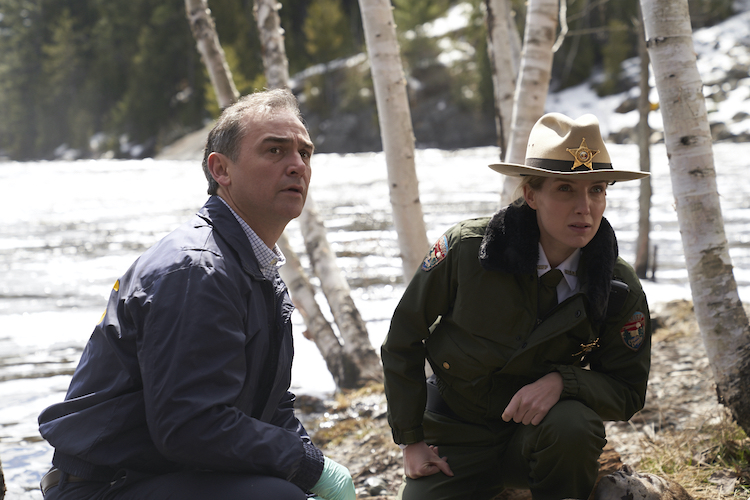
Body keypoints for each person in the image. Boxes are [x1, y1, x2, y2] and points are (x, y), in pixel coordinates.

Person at [37, 88, 356, 500]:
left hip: (168, 475)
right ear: (221, 170)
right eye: (275, 151)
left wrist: (311, 464)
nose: (296, 165)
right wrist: (308, 467)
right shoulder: (198, 269)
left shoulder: (252, 264)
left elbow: (271, 406)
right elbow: (189, 425)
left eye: (305, 153)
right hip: (107, 487)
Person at [381, 113, 652, 500]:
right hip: (455, 436)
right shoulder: (468, 251)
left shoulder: (618, 286)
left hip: (541, 436)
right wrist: (411, 440)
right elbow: (403, 338)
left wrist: (564, 382)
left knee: (573, 424)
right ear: (530, 195)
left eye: (597, 190)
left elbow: (628, 390)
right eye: (565, 189)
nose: (585, 207)